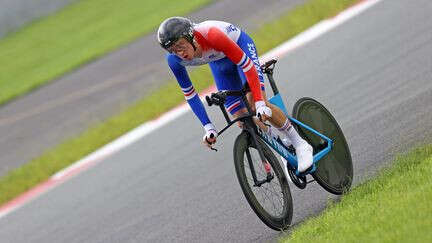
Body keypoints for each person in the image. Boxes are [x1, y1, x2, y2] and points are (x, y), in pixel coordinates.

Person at [157, 17, 313, 172]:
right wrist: (208, 127)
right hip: (219, 63)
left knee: (256, 105)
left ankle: (300, 144)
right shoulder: (174, 60)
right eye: (173, 50)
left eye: (181, 46)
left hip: (240, 48)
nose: (180, 53)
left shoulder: (211, 34)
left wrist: (259, 102)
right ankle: (283, 148)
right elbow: (190, 95)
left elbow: (247, 65)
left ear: (191, 36)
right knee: (241, 118)